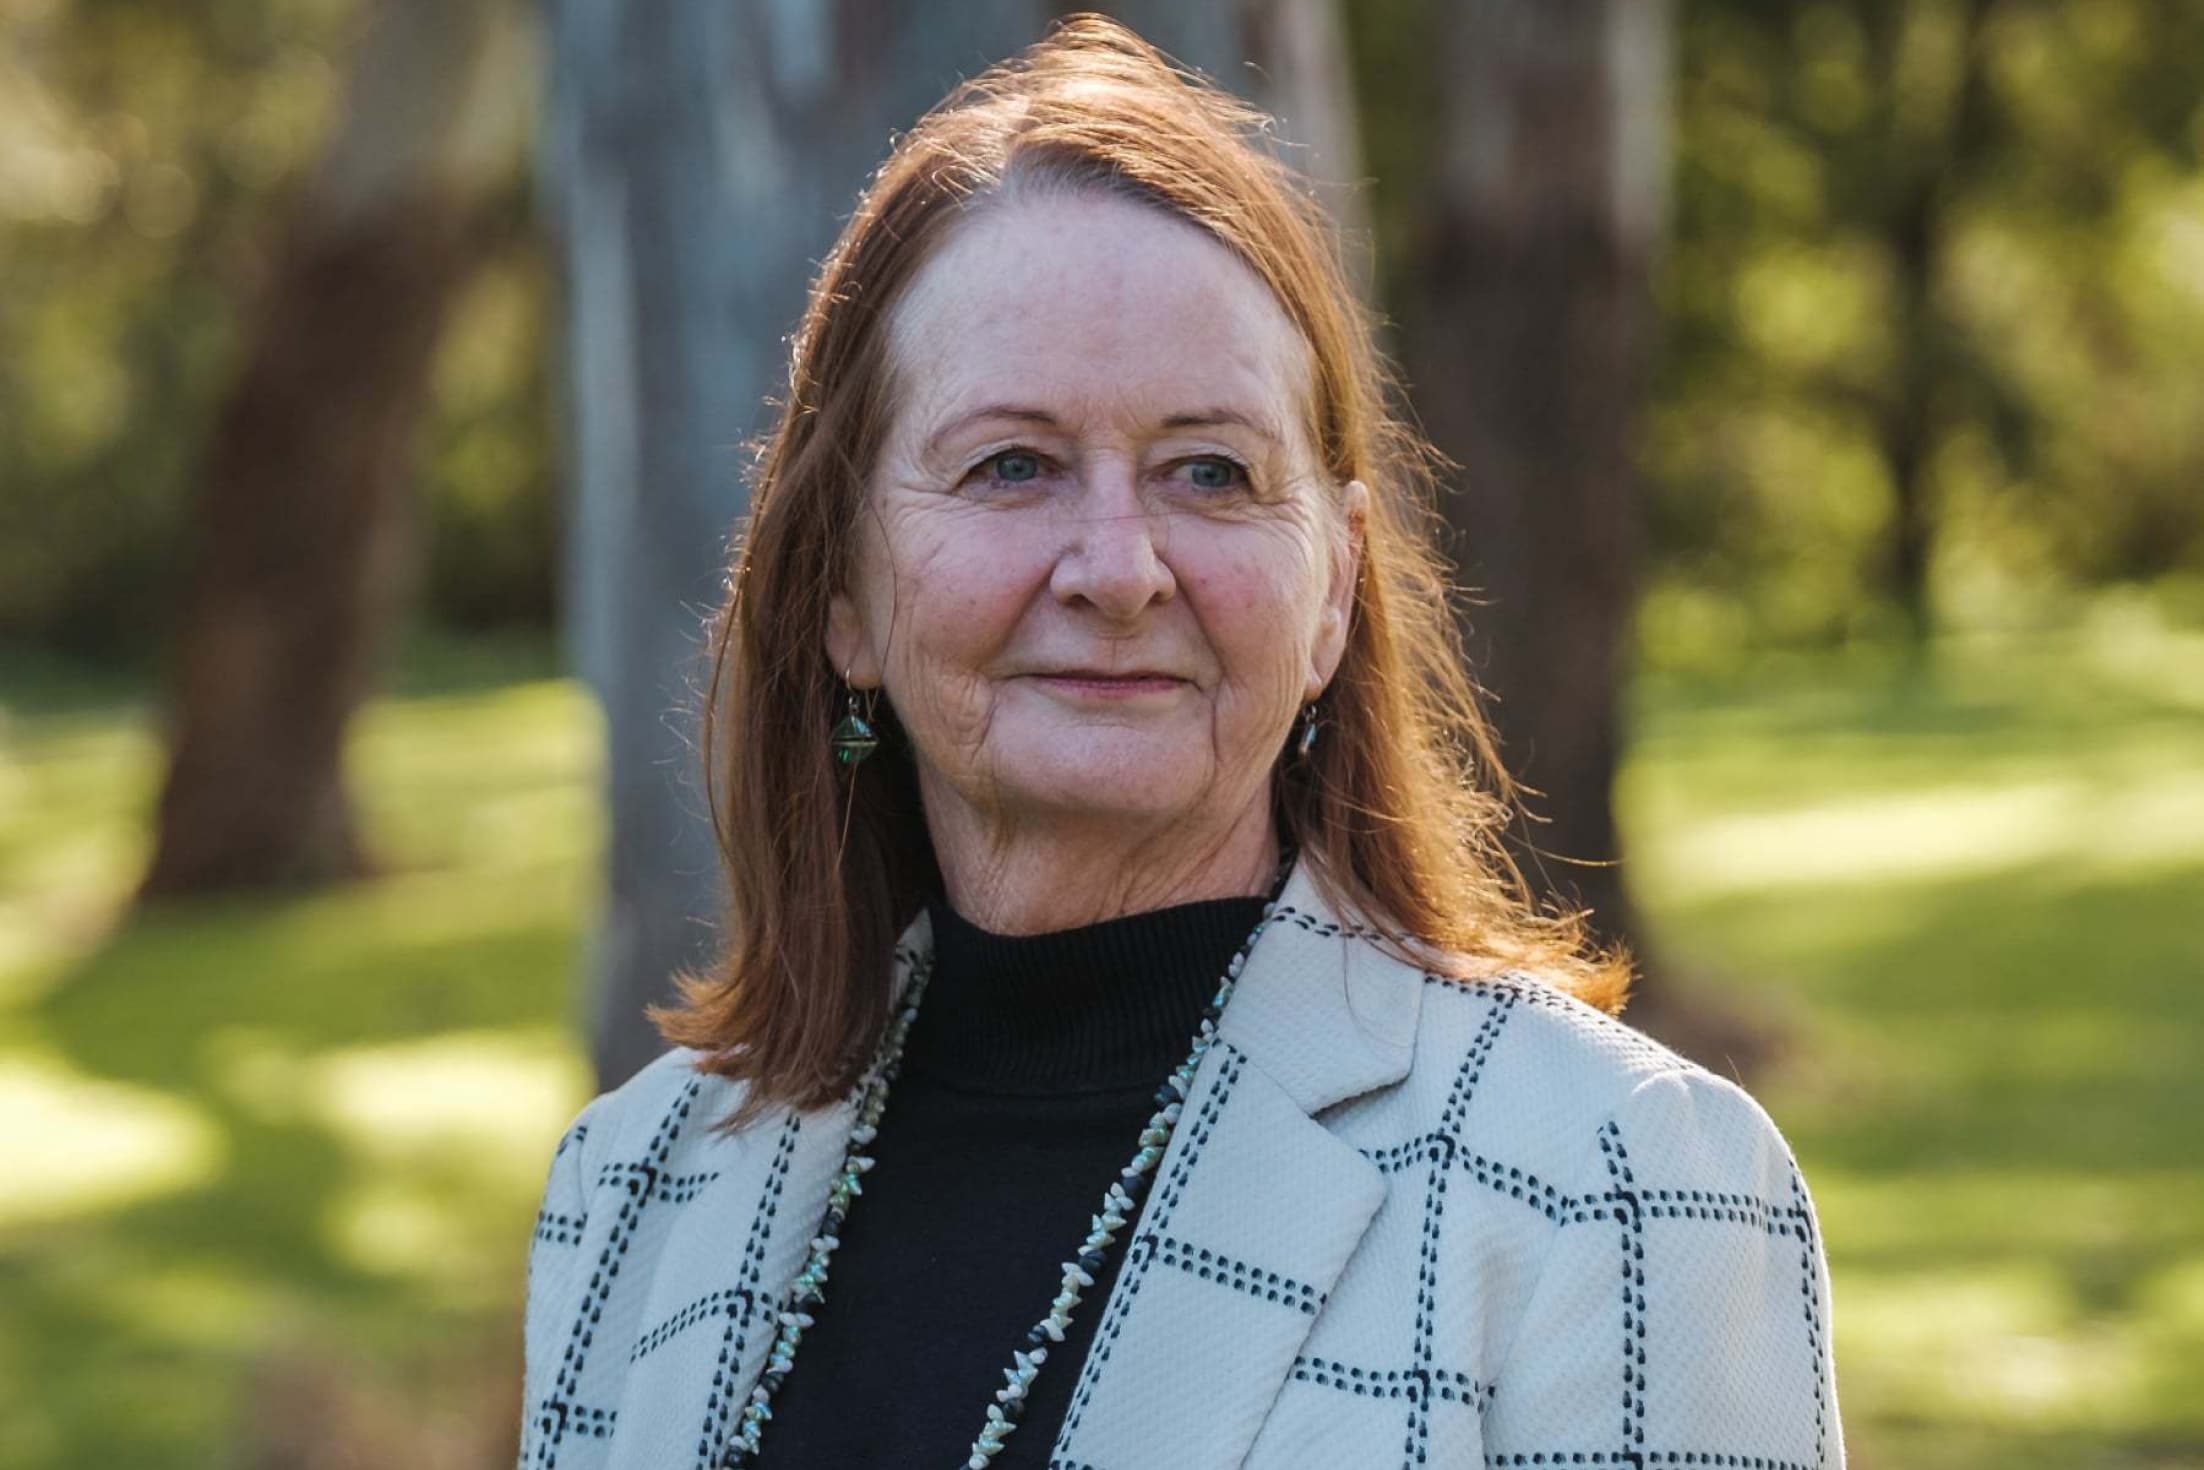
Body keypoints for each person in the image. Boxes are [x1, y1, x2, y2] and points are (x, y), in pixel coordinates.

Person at [518, 15, 1844, 1470]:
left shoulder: (1614, 1179)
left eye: (1209, 472)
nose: (1119, 565)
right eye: (1010, 464)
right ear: (842, 589)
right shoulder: (634, 1192)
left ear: (1334, 588)